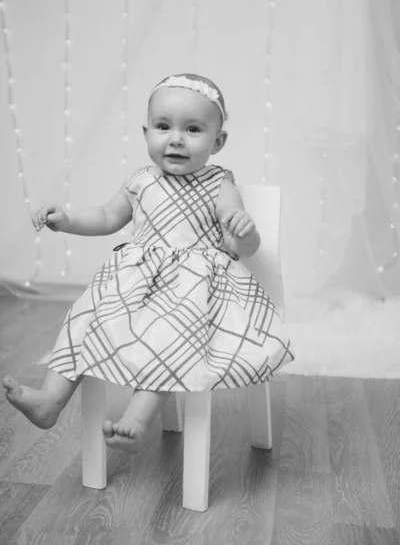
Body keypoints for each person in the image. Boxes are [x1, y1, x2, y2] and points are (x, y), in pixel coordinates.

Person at [3, 73, 293, 454]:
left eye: (192, 129)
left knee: (171, 337)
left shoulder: (220, 184)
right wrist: (68, 221)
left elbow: (241, 244)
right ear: (146, 133)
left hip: (193, 292)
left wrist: (244, 230)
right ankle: (50, 399)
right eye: (163, 126)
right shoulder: (140, 181)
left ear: (217, 142)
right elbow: (107, 218)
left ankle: (137, 419)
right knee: (83, 317)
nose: (175, 138)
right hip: (133, 285)